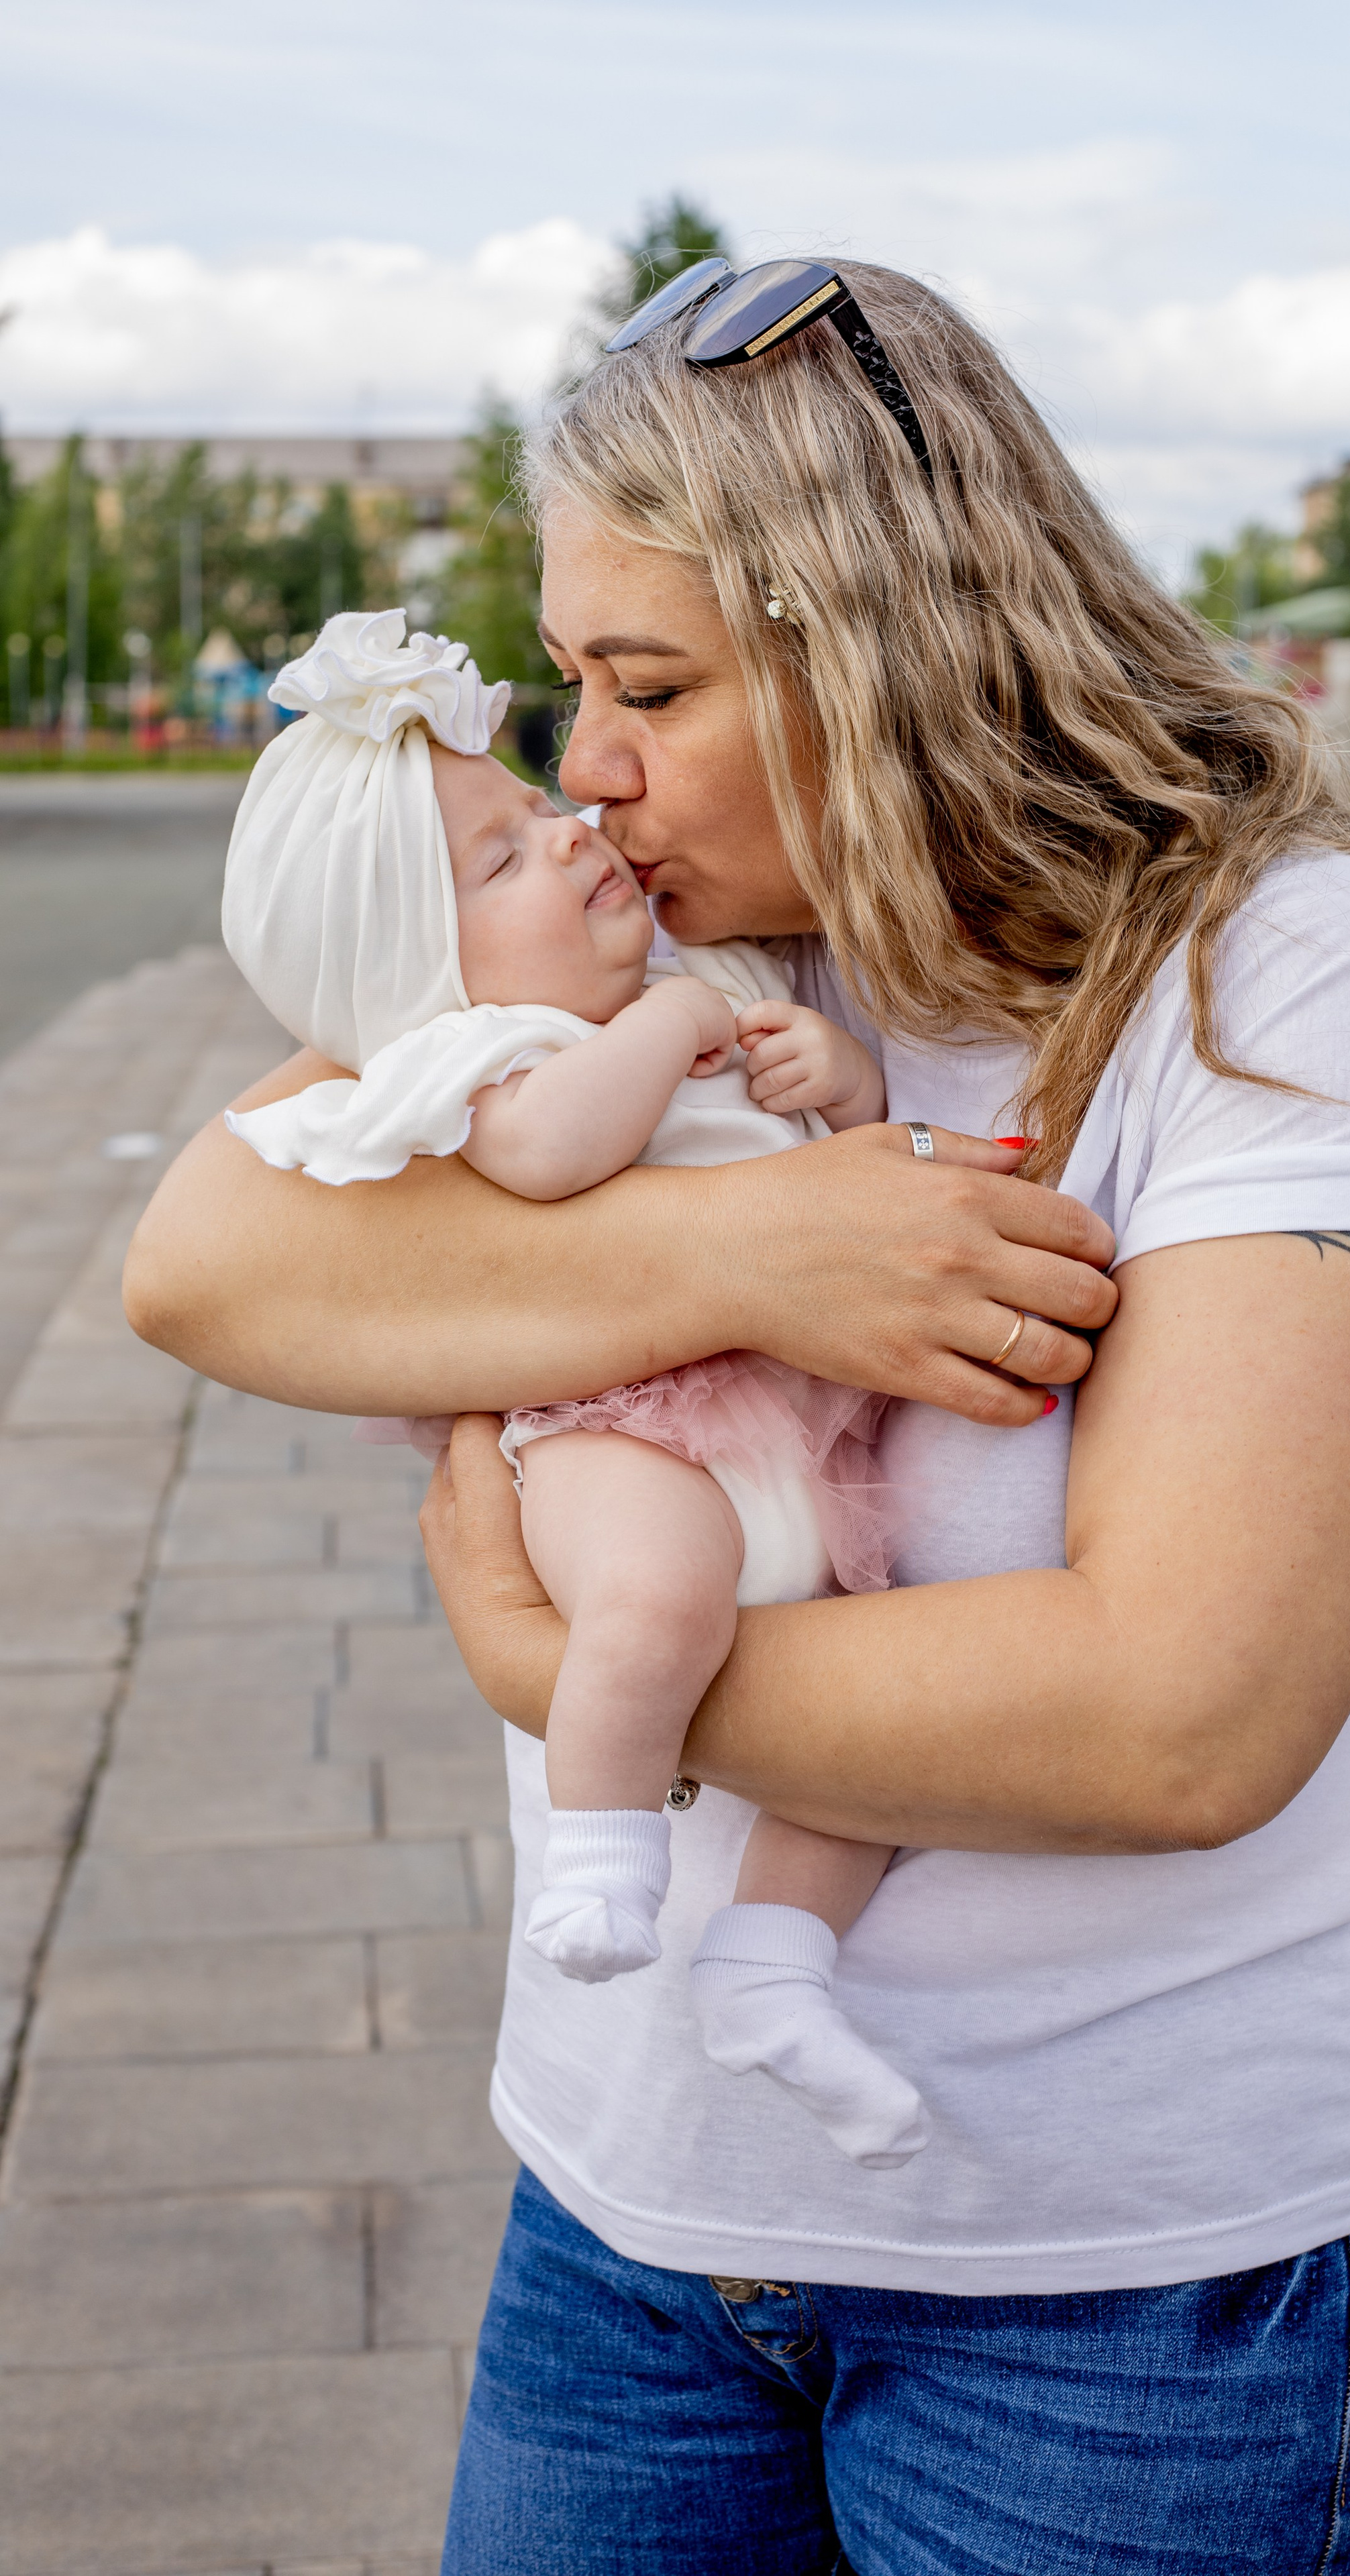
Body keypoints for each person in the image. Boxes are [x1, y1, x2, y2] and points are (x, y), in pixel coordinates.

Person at [126, 254, 1350, 2574]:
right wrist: (748, 1254)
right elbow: (205, 1253)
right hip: (629, 2233)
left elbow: (1177, 1718)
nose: (586, 771)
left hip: (1131, 2303)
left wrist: (559, 1671)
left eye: (651, 686)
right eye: (574, 683)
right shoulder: (675, 944)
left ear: (884, 642)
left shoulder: (1286, 973)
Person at [221, 608, 939, 2167]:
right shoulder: (488, 1054)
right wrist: (675, 1021)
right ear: (421, 969)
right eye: (499, 861)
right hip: (630, 1428)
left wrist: (840, 1078)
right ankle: (604, 1854)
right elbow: (549, 1154)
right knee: (654, 1610)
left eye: (531, 813)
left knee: (875, 1750)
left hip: (796, 1446)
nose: (564, 832)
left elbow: (841, 1157)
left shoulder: (698, 970)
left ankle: (774, 1967)